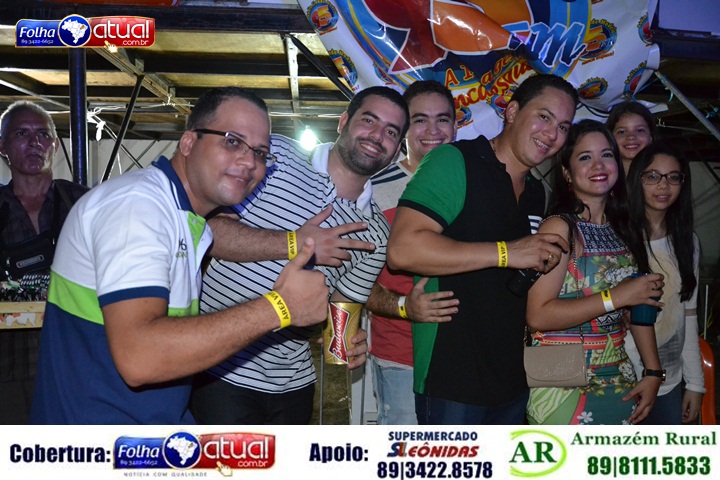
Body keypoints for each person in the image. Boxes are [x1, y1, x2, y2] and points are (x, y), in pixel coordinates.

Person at [29, 87, 330, 424]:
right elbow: (140, 358)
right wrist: (278, 307)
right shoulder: (138, 207)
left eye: (260, 152)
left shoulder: (186, 220)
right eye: (233, 141)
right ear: (188, 143)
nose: (250, 162)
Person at [191, 86, 410, 424]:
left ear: (396, 151)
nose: (377, 135)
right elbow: (210, 232)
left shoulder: (376, 234)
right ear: (343, 122)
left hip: (294, 385)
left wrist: (347, 343)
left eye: (391, 132)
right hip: (216, 367)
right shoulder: (277, 156)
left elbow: (341, 313)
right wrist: (295, 243)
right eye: (369, 120)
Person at [387, 74, 576, 425]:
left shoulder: (537, 191)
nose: (552, 134)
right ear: (512, 111)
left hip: (512, 378)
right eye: (544, 117)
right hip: (452, 379)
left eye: (563, 126)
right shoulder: (454, 160)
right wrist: (506, 253)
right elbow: (403, 250)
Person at [525, 119, 663, 425]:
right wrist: (616, 297)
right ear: (567, 172)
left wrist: (653, 372)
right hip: (557, 372)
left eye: (606, 155)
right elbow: (537, 316)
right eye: (585, 157)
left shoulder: (624, 228)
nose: (598, 165)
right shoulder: (559, 226)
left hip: (618, 369)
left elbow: (638, 307)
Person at [365, 80, 459, 425]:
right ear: (404, 128)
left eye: (442, 119)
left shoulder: (474, 180)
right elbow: (351, 279)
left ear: (456, 125)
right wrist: (405, 306)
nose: (433, 130)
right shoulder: (373, 189)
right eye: (420, 120)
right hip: (402, 356)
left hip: (465, 357)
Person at [0, 101, 89, 424]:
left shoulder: (84, 203)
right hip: (9, 368)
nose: (34, 142)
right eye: (22, 134)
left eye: (43, 134)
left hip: (76, 364)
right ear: (2, 146)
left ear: (55, 145)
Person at [624, 142, 705, 424]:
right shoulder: (618, 236)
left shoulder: (687, 242)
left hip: (669, 380)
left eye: (673, 177)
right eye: (653, 176)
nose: (663, 185)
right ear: (637, 180)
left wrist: (695, 383)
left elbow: (688, 315)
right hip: (622, 377)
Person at [606, 101, 656, 176]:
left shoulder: (664, 174)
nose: (631, 137)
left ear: (651, 136)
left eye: (639, 130)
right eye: (622, 132)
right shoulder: (603, 178)